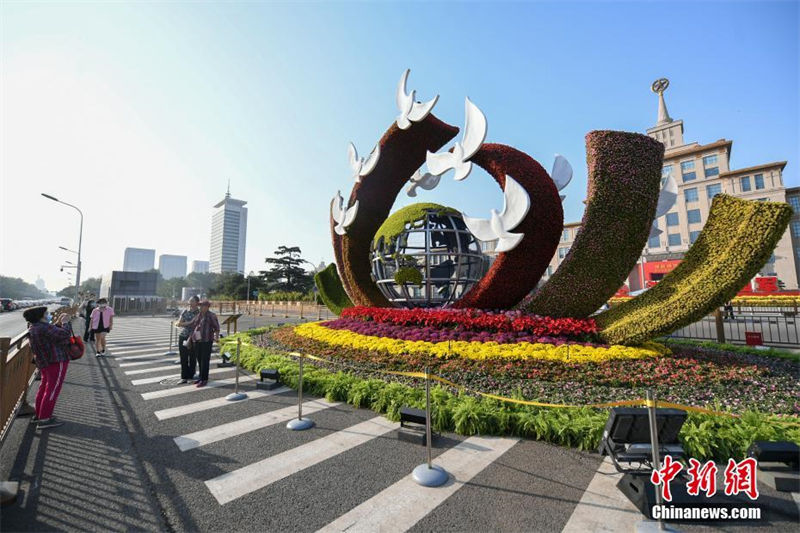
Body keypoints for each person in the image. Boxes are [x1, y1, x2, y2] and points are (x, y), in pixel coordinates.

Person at [24, 306, 72, 430]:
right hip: (56, 360)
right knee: (52, 389)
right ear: (41, 316)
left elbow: (53, 333)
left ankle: (39, 414)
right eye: (47, 313)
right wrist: (66, 323)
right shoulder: (44, 328)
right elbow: (65, 335)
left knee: (44, 388)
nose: (49, 314)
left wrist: (58, 323)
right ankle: (45, 419)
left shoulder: (34, 327)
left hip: (44, 362)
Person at [186, 300, 219, 387]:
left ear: (207, 307)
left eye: (202, 306)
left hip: (207, 340)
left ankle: (204, 379)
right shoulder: (199, 315)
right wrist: (190, 338)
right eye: (200, 306)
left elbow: (217, 327)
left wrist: (217, 337)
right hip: (197, 340)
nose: (200, 307)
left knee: (205, 360)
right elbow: (193, 326)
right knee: (199, 359)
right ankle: (201, 377)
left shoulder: (211, 315)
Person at [175, 296, 200, 384]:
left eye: (192, 301)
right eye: (189, 301)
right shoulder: (185, 311)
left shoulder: (200, 313)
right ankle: (184, 377)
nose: (190, 303)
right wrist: (189, 322)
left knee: (193, 356)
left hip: (195, 337)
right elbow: (178, 323)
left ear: (197, 302)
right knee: (183, 356)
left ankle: (191, 375)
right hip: (184, 335)